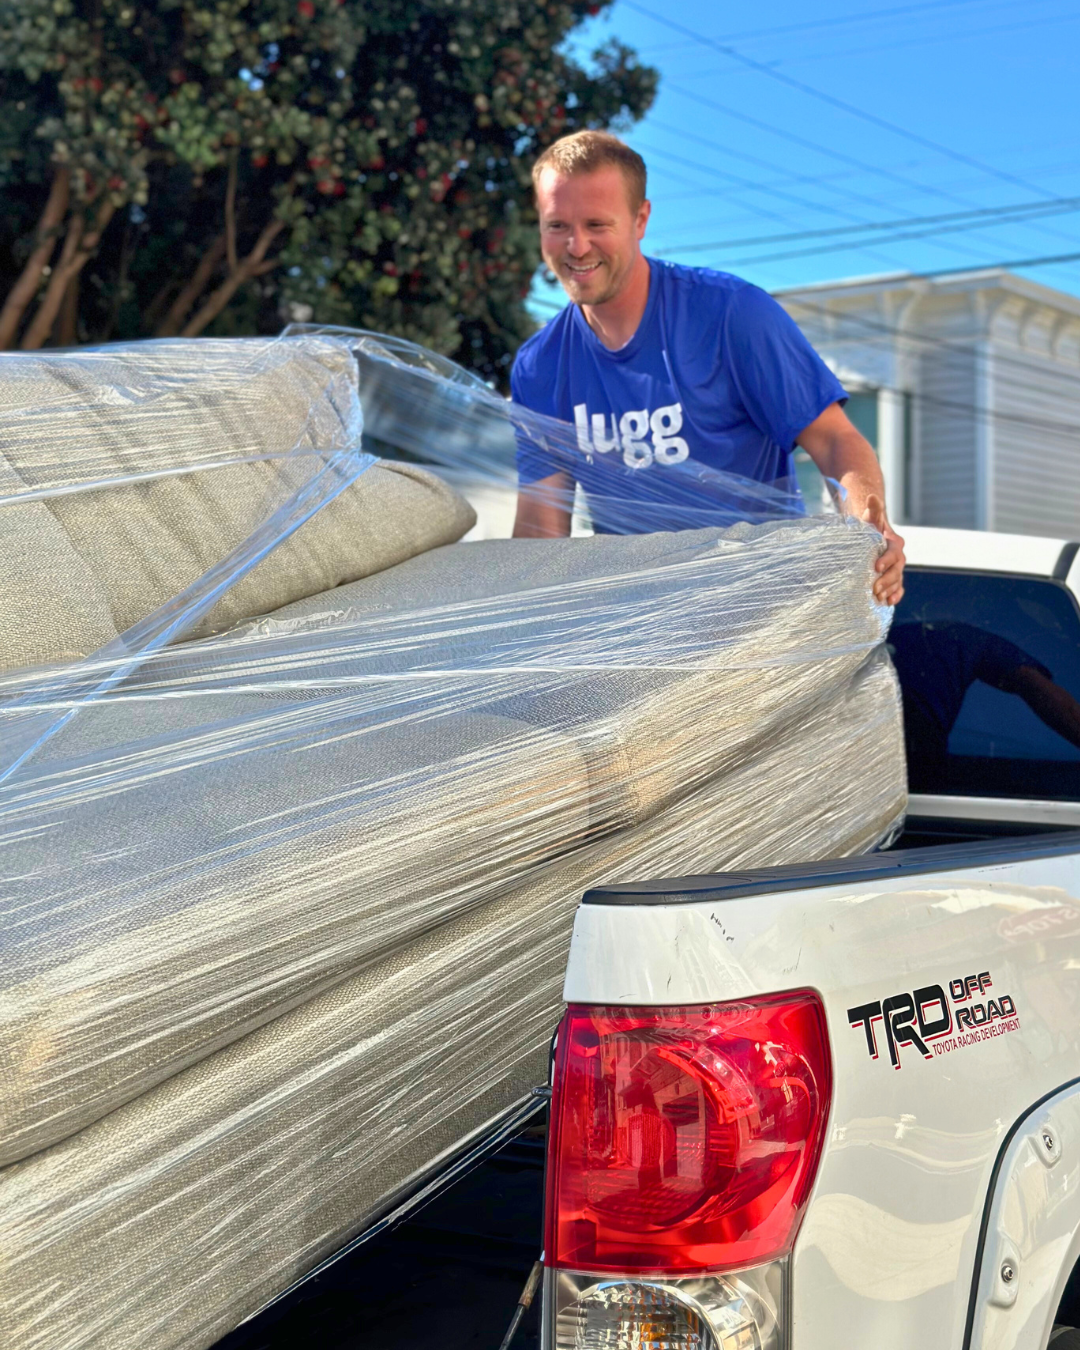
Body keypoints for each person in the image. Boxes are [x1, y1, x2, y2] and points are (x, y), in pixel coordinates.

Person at [510, 130, 906, 606]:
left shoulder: (731, 315)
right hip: (637, 630)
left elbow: (835, 438)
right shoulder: (541, 366)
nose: (576, 246)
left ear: (640, 220)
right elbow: (541, 530)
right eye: (557, 226)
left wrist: (867, 530)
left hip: (758, 612)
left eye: (597, 224)